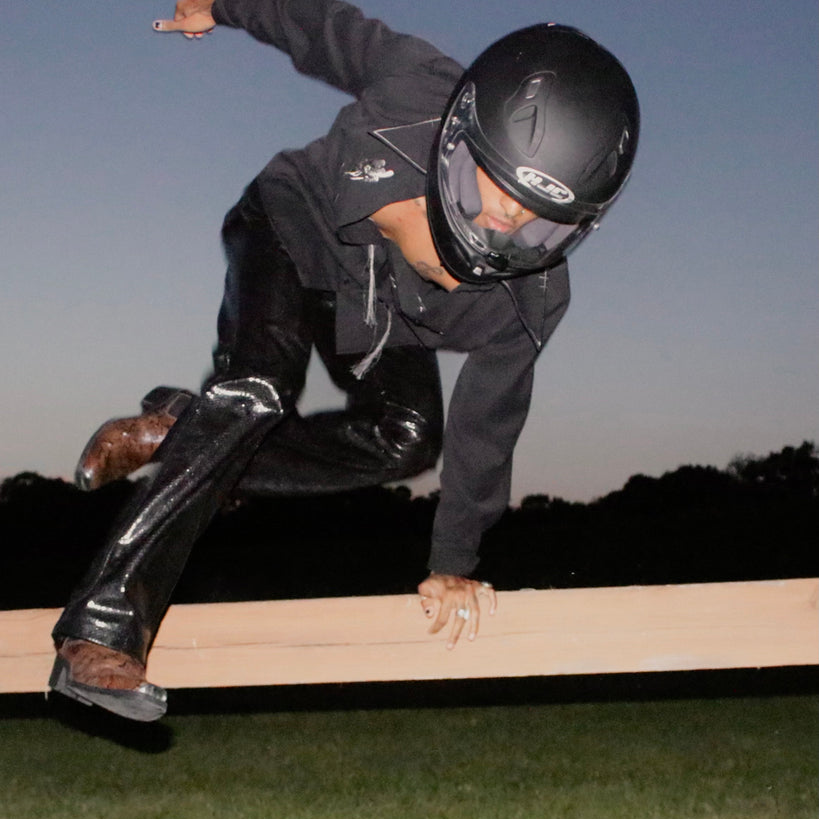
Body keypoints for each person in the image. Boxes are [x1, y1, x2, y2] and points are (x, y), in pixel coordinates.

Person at [48, 0, 640, 722]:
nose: (507, 223)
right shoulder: (415, 81)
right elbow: (314, 25)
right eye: (499, 189)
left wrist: (452, 565)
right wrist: (219, 7)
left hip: (369, 311)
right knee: (256, 389)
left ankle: (178, 434)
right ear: (462, 135)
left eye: (540, 218)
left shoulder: (531, 298)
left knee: (409, 440)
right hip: (287, 225)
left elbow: (487, 427)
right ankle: (100, 628)